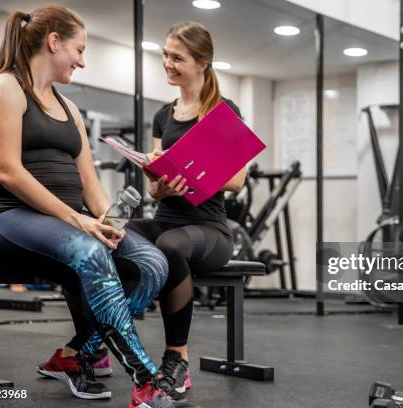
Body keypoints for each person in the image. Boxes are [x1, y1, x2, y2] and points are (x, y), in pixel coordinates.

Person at [0, 6, 186, 407]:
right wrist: (79, 222)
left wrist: (109, 222)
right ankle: (147, 383)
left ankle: (76, 355)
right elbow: (8, 172)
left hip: (69, 223)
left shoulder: (69, 108)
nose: (83, 61)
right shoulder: (4, 87)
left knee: (153, 263)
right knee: (89, 250)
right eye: (79, 49)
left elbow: (89, 180)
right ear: (54, 42)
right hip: (8, 216)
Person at [125, 21, 248, 401]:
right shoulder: (164, 115)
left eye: (176, 57)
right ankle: (94, 345)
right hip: (167, 218)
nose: (167, 63)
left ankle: (176, 359)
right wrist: (161, 179)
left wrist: (192, 178)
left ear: (202, 62)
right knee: (115, 234)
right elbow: (153, 187)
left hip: (208, 229)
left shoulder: (223, 111)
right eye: (165, 54)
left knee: (171, 247)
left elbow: (238, 180)